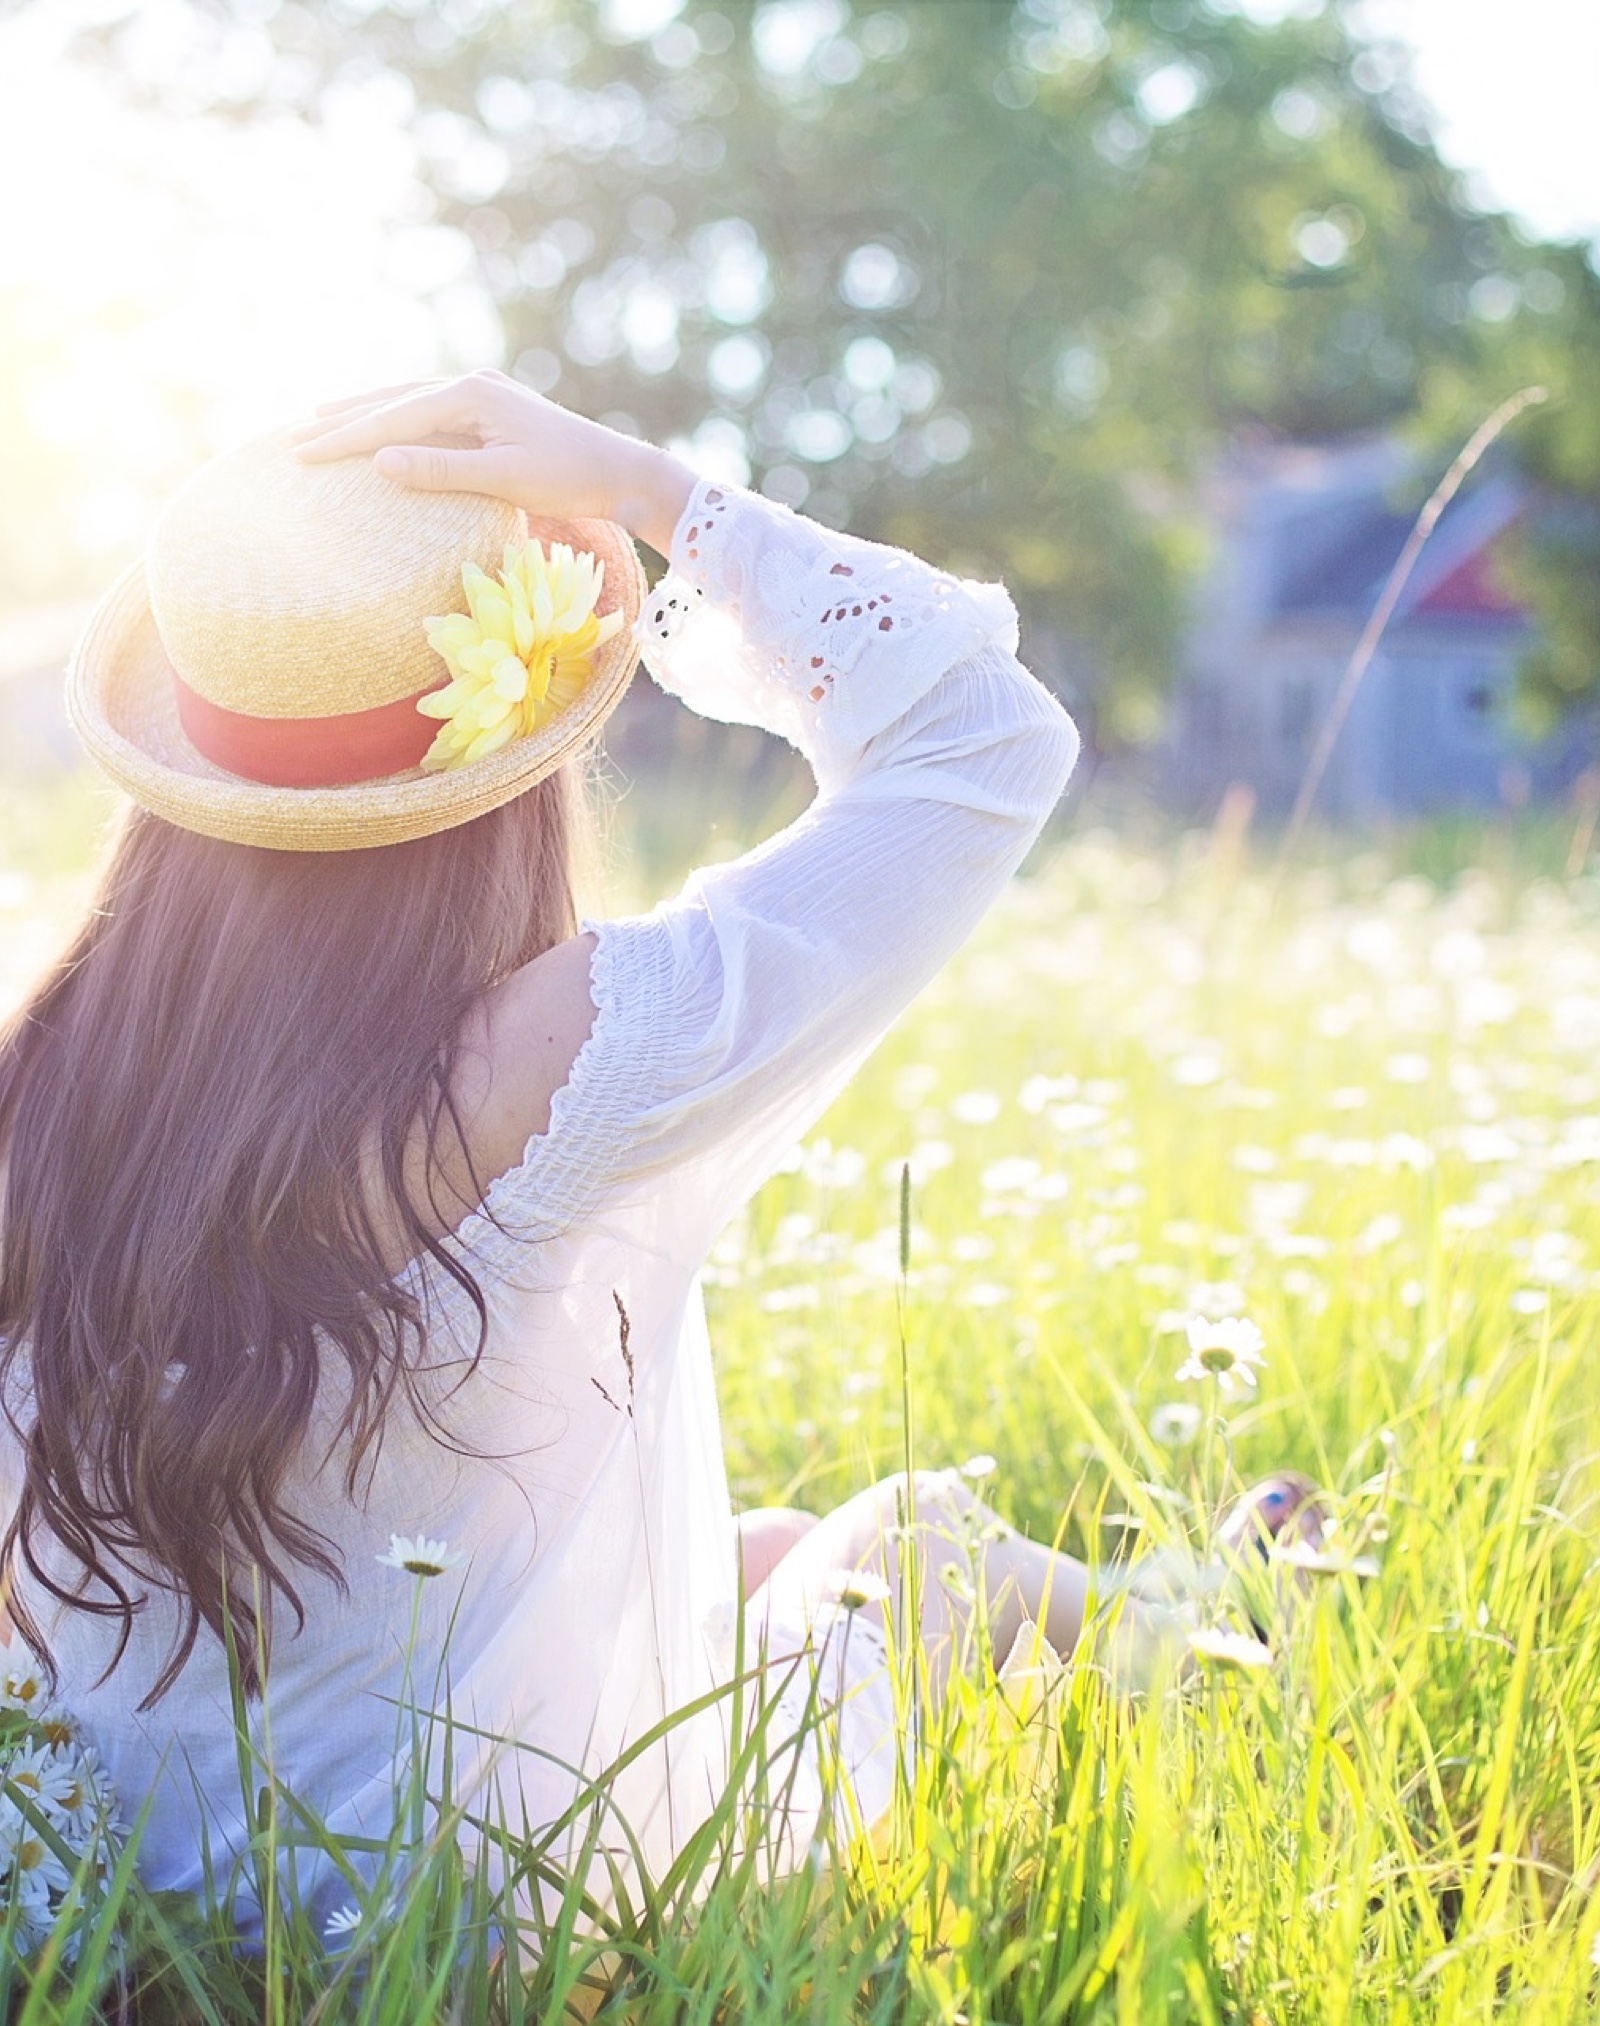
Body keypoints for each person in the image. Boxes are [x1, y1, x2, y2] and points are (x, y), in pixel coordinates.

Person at [0, 373, 1314, 1941]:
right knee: (912, 1536)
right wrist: (650, 489)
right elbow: (983, 739)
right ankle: (1213, 1627)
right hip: (480, 1905)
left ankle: (1189, 1608)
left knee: (751, 1551)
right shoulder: (554, 1054)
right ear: (506, 767)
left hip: (118, 1877)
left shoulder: (49, 1078)